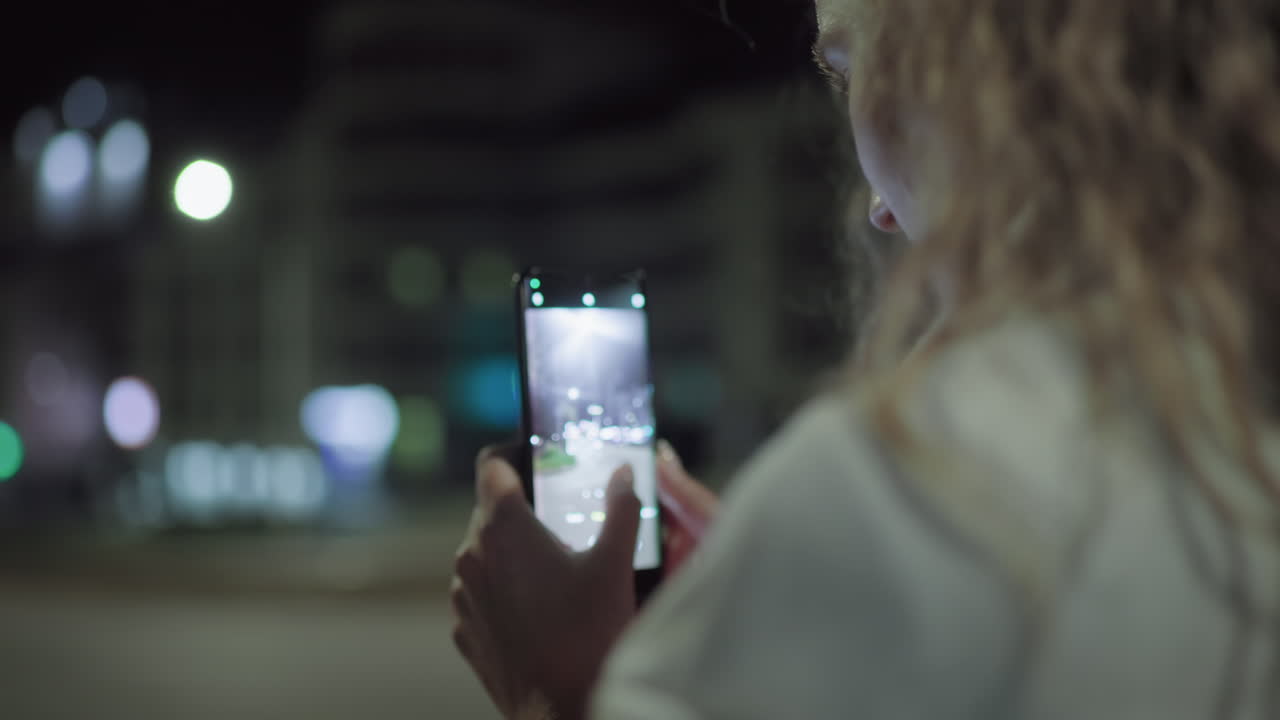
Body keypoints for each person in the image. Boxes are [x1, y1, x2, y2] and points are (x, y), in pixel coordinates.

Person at [450, 0, 1280, 717]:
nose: (878, 207)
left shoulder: (903, 494)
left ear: (962, 59)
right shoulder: (1231, 416)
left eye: (847, 73)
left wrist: (560, 689)